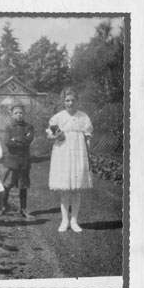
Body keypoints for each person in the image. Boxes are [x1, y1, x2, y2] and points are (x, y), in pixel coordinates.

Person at [47, 87, 93, 233]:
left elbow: (88, 136)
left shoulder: (83, 116)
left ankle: (74, 221)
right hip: (63, 151)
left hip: (79, 152)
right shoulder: (57, 117)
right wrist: (56, 136)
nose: (70, 103)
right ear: (63, 101)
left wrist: (87, 153)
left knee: (76, 188)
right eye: (67, 100)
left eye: (73, 100)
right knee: (65, 188)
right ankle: (64, 220)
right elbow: (49, 135)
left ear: (77, 101)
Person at [0, 103, 35, 219]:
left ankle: (23, 209)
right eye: (16, 113)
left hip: (24, 161)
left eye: (20, 113)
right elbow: (7, 142)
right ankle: (4, 206)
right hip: (12, 161)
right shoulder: (9, 127)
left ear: (24, 113)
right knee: (7, 185)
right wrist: (20, 141)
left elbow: (28, 140)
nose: (18, 115)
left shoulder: (29, 127)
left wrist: (16, 139)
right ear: (12, 114)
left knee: (23, 186)